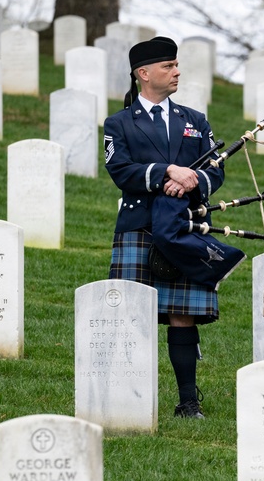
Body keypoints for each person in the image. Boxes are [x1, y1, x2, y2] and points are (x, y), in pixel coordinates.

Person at [104, 36, 243, 419]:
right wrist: (166, 171)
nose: (177, 71)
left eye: (177, 64)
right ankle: (125, 398)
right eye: (168, 66)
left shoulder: (195, 120)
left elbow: (217, 170)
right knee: (130, 312)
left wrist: (190, 182)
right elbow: (119, 170)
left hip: (186, 226)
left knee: (183, 313)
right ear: (143, 74)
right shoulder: (119, 123)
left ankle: (188, 402)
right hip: (140, 226)